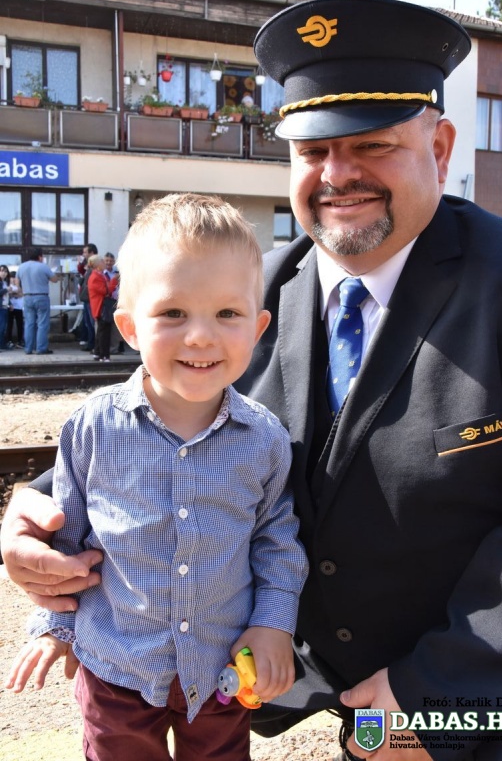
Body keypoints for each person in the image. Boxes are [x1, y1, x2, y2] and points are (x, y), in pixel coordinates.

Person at [2, 0, 502, 760]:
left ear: (440, 146)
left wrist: (435, 696)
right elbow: (169, 418)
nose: (337, 174)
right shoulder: (254, 294)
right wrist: (34, 511)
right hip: (287, 678)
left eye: (373, 144)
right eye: (312, 151)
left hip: (478, 685)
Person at [4, 193, 308, 761]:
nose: (200, 336)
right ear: (128, 326)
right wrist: (54, 625)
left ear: (259, 326)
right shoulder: (93, 426)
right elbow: (68, 537)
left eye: (228, 314)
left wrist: (275, 624)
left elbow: (275, 539)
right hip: (116, 667)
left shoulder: (265, 438)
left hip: (221, 671)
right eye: (173, 313)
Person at [16, 248, 58, 354]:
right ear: (40, 257)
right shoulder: (43, 266)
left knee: (29, 323)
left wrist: (22, 292)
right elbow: (54, 279)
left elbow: (17, 282)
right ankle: (41, 348)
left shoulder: (22, 267)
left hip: (27, 297)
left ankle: (28, 348)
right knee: (42, 324)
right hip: (41, 296)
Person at [86, 254, 118, 362]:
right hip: (101, 307)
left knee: (101, 331)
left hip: (100, 306)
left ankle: (98, 353)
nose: (105, 263)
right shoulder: (96, 277)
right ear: (98, 264)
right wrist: (114, 281)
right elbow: (105, 291)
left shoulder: (98, 275)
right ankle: (104, 355)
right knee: (104, 332)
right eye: (102, 261)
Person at [78, 243, 98, 352]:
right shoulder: (87, 266)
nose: (83, 254)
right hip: (86, 298)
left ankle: (93, 344)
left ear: (92, 253)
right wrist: (80, 264)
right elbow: (81, 272)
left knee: (91, 322)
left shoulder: (95, 266)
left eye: (85, 252)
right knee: (88, 322)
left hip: (91, 299)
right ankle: (90, 343)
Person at [103, 252, 124, 354]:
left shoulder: (117, 272)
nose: (109, 263)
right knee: (106, 325)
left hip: (117, 301)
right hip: (106, 301)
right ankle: (105, 348)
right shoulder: (102, 273)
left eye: (111, 261)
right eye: (107, 260)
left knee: (116, 326)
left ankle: (114, 348)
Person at [6, 270, 24, 348]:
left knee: (20, 324)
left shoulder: (20, 285)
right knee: (9, 324)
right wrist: (15, 293)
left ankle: (20, 340)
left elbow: (21, 294)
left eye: (15, 278)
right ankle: (9, 340)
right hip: (10, 307)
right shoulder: (7, 285)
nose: (13, 279)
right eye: (12, 278)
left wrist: (16, 289)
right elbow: (8, 294)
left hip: (19, 307)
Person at [0, 263, 10, 350]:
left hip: (5, 307)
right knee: (1, 327)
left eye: (6, 271)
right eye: (2, 271)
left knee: (3, 328)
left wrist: (10, 304)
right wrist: (6, 289)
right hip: (1, 307)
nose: (4, 273)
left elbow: (6, 296)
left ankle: (2, 344)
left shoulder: (5, 282)